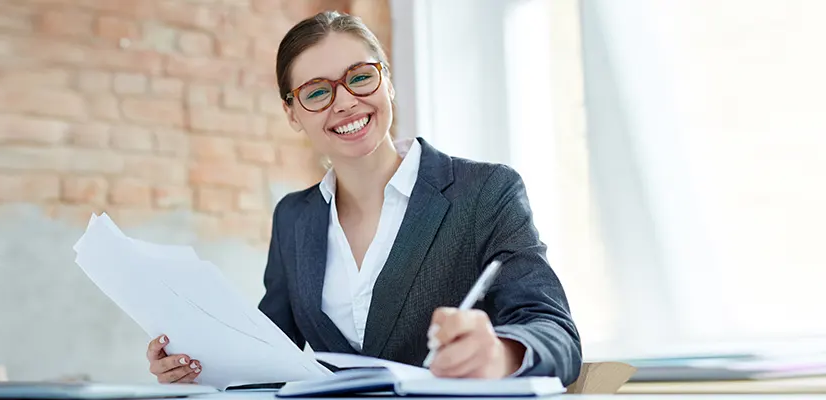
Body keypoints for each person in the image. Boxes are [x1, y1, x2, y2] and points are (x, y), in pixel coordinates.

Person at [144, 10, 582, 387]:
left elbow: (555, 331)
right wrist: (198, 365)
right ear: (292, 114)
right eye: (317, 92)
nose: (345, 102)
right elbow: (270, 355)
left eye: (360, 77)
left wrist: (502, 353)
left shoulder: (486, 191)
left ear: (387, 82)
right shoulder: (293, 218)